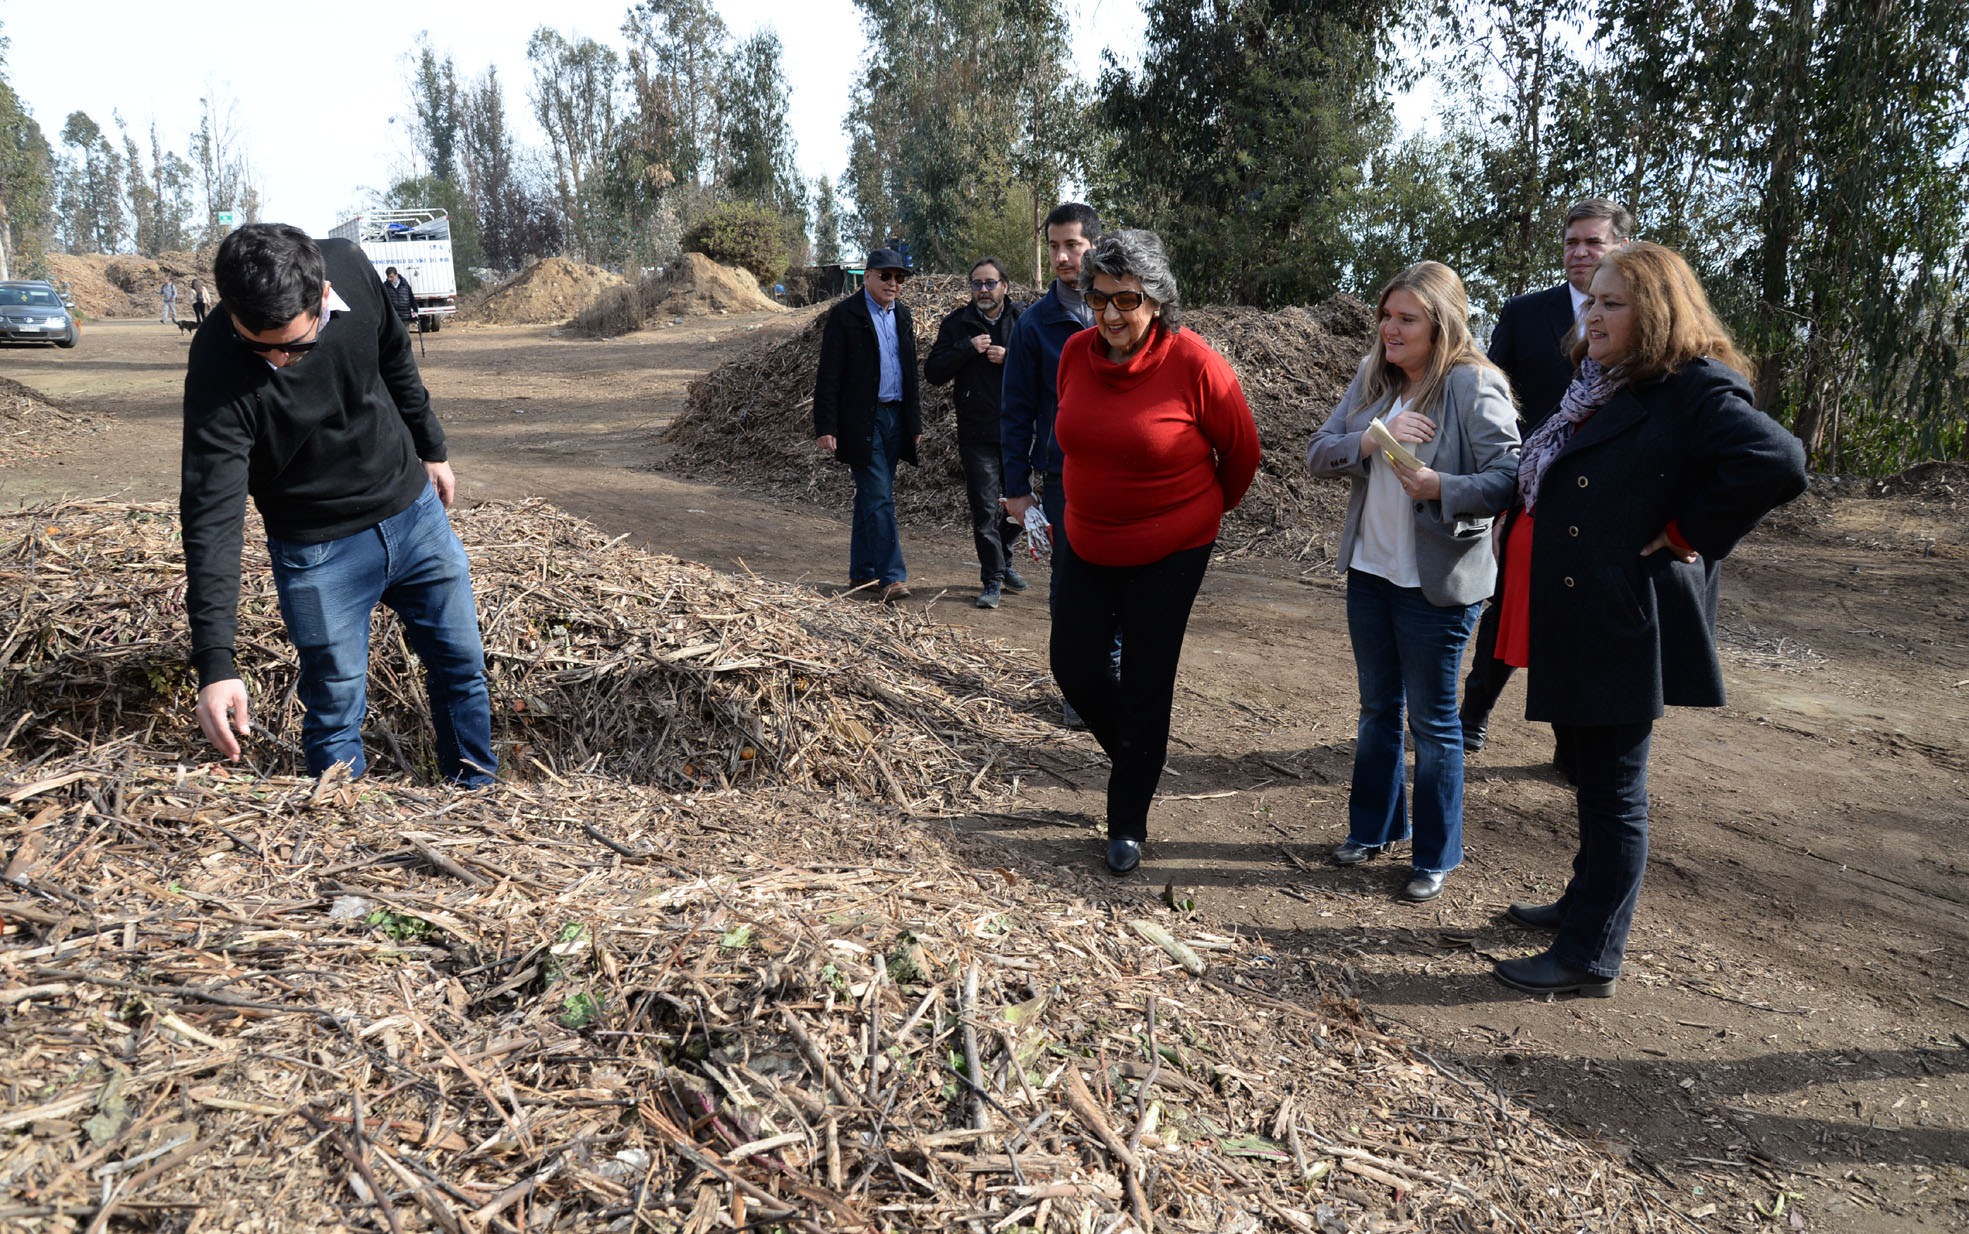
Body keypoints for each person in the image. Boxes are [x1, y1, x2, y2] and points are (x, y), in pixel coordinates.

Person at [1490, 242, 1806, 998]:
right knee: (1593, 778)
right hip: (1586, 605)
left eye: (1611, 304)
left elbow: (1779, 461)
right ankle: (1579, 905)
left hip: (1626, 614)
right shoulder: (1605, 380)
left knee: (1613, 788)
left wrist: (1687, 532)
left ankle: (1588, 954)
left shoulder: (1694, 386)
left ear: (1655, 311)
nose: (1591, 316)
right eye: (1590, 301)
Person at [180, 223, 497, 788]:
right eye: (259, 345)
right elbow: (212, 508)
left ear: (324, 299)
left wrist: (431, 447)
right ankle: (344, 827)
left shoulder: (349, 265)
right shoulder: (216, 363)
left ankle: (476, 793)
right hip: (317, 548)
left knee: (462, 669)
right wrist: (216, 662)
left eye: (293, 345)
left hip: (413, 513)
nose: (276, 361)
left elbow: (396, 356)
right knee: (334, 703)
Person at [1306, 262, 1522, 902]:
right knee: (1377, 712)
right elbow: (1319, 453)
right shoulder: (1375, 378)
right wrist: (1375, 437)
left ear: (1442, 324)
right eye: (1386, 315)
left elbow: (1511, 475)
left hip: (1438, 586)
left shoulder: (1472, 384)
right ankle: (1372, 831)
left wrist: (1441, 487)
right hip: (1371, 575)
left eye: (1407, 319)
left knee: (1432, 723)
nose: (1390, 329)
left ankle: (1434, 854)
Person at [1051, 229, 1260, 875]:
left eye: (1127, 300)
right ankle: (1139, 756)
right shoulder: (1073, 353)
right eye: (1099, 298)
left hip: (1171, 548)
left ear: (1156, 302)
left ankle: (1126, 819)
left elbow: (1242, 455)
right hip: (1084, 537)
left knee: (1145, 680)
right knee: (1074, 666)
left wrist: (1192, 516)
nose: (1111, 314)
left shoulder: (1196, 364)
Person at [1461, 199, 1635, 774]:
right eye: (1571, 242)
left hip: (1603, 498)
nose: (1580, 252)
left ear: (1620, 250)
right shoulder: (1523, 312)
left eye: (1594, 243)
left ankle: (1569, 745)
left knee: (1573, 619)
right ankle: (1471, 717)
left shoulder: (1641, 321)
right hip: (1530, 491)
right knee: (1507, 606)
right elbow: (1489, 388)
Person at [1002, 202, 1106, 721]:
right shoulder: (1035, 325)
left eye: (1073, 246)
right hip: (1063, 475)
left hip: (1121, 476)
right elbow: (1016, 411)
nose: (1063, 257)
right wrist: (1017, 490)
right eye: (1054, 247)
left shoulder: (1126, 313)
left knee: (1123, 579)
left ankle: (1112, 682)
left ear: (1094, 247)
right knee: (1069, 582)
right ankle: (1076, 689)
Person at [813, 247, 922, 603]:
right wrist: (825, 425)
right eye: (886, 276)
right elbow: (828, 375)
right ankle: (891, 576)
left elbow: (911, 374)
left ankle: (862, 572)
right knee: (879, 497)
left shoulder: (902, 316)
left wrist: (914, 423)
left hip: (895, 417)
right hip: (861, 421)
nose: (894, 283)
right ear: (869, 275)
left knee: (872, 498)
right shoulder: (846, 315)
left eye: (899, 277)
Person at [924, 256, 1028, 609]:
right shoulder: (957, 324)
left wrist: (1010, 356)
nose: (983, 290)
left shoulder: (1024, 320)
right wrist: (967, 349)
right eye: (977, 284)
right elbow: (934, 372)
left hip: (1019, 430)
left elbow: (1045, 368)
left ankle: (1005, 558)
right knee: (984, 510)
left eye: (990, 283)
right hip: (977, 431)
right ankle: (993, 580)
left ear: (1005, 287)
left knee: (1023, 506)